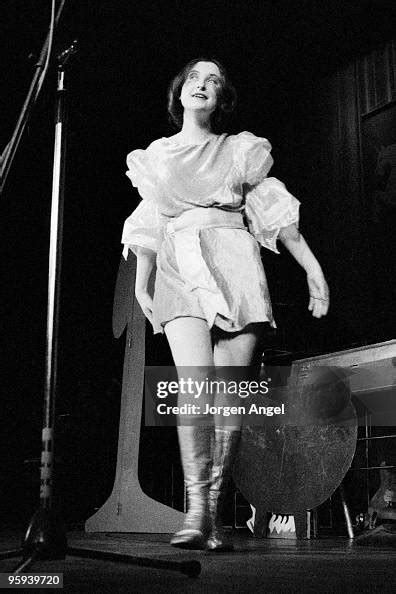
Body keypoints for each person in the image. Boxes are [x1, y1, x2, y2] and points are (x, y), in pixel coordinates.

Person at [121, 57, 329, 551]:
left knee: (228, 396)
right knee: (195, 388)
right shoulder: (158, 156)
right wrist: (141, 281)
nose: (202, 85)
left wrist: (313, 270)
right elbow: (149, 222)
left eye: (213, 81)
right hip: (179, 264)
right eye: (194, 77)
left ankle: (211, 515)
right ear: (179, 93)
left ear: (221, 99)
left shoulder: (239, 152)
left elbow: (276, 212)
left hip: (235, 262)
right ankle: (195, 513)